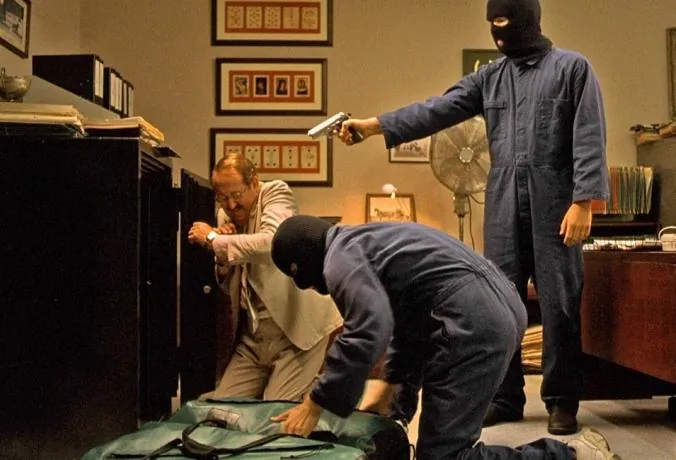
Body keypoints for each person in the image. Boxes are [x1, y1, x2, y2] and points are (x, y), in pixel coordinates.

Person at [336, 0, 609, 435]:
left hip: (555, 202)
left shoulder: (572, 69)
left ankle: (561, 401)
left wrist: (584, 201)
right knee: (499, 302)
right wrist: (374, 126)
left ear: (527, 19)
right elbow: (436, 109)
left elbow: (589, 134)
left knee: (560, 303)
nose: (497, 32)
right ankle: (505, 397)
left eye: (503, 22)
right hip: (502, 201)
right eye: (491, 24)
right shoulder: (490, 78)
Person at [269, 215, 621, 460]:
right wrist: (393, 389)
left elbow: (367, 329)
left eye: (311, 284)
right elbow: (407, 326)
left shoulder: (338, 260)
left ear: (305, 265)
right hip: (501, 308)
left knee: (443, 456)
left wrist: (317, 402)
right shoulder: (365, 240)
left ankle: (571, 455)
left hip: (472, 322)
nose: (318, 289)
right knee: (440, 444)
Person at [187, 153, 342, 401]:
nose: (231, 205)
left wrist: (213, 239)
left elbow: (271, 244)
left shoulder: (275, 193)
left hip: (298, 332)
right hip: (253, 337)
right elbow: (230, 278)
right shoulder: (224, 216)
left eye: (236, 195)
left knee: (274, 411)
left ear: (254, 183)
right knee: (221, 408)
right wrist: (223, 261)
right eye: (222, 198)